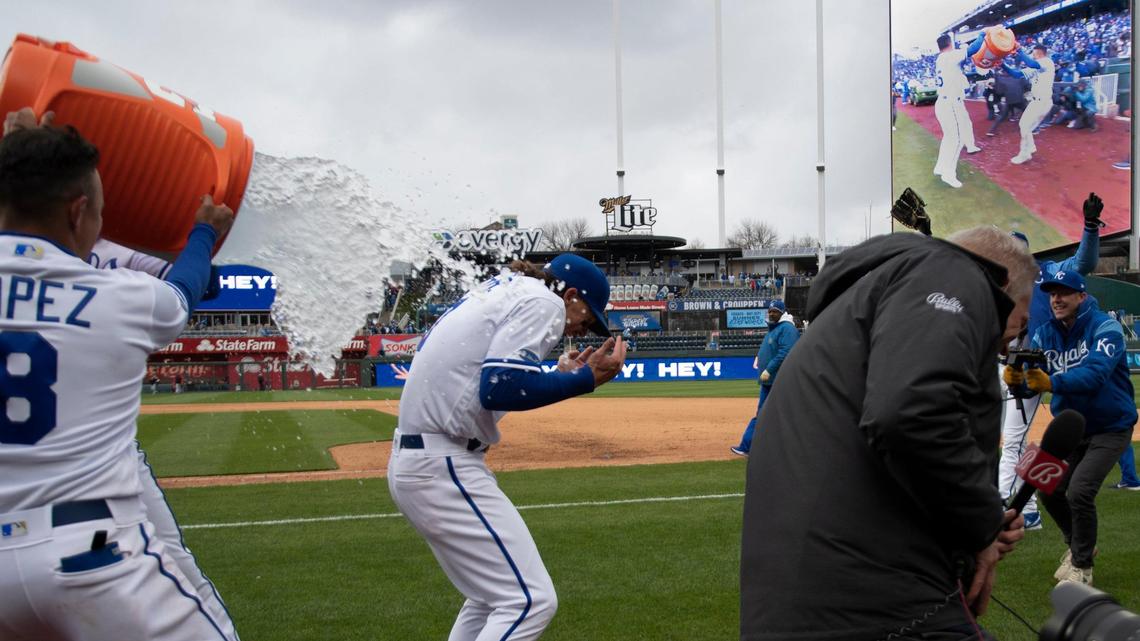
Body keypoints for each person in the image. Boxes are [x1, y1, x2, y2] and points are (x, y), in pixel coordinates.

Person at [0, 111, 236, 640]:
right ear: (78, 211)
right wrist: (203, 231)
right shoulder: (119, 297)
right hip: (91, 555)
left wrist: (17, 159)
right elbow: (188, 290)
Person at [741, 227, 1037, 641]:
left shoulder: (860, 304)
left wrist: (973, 526)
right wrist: (984, 522)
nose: (1008, 343)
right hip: (879, 606)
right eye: (1016, 320)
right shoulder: (952, 272)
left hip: (813, 601)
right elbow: (910, 414)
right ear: (1001, 281)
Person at [388, 254, 626, 641]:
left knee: (488, 599)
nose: (584, 330)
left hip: (423, 459)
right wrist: (585, 380)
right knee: (530, 601)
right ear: (570, 295)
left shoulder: (505, 290)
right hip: (442, 464)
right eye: (587, 318)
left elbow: (484, 388)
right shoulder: (544, 301)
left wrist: (561, 376)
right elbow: (499, 387)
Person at [1010, 270, 1137, 586]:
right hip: (1071, 427)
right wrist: (1018, 383)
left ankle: (1082, 567)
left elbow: (1095, 375)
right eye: (1052, 293)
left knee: (1079, 490)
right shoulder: (1043, 334)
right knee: (1046, 486)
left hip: (1110, 426)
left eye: (1064, 292)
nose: (1056, 299)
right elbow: (1032, 379)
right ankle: (1079, 546)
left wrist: (1051, 381)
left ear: (1081, 296)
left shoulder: (1105, 327)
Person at [999, 194, 1103, 532]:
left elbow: (1083, 263)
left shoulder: (1050, 273)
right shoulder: (996, 283)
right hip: (1013, 367)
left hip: (1047, 365)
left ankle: (1016, 506)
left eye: (1017, 249)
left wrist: (1089, 228)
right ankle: (1024, 506)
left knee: (1023, 438)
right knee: (1009, 438)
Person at [730, 300, 797, 457]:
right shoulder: (775, 328)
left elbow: (785, 352)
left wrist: (769, 368)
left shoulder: (787, 329)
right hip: (771, 381)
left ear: (782, 312)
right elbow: (773, 349)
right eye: (770, 311)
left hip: (779, 379)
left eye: (775, 311)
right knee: (769, 415)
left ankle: (748, 446)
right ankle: (751, 446)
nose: (772, 313)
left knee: (772, 415)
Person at [933, 34, 983, 189]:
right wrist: (983, 34)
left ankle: (940, 167)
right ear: (949, 43)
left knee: (948, 138)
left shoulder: (941, 59)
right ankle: (948, 175)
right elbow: (974, 48)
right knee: (958, 139)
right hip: (950, 104)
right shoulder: (948, 56)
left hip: (944, 102)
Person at [1006, 44, 1056, 165]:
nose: (1032, 55)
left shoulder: (1047, 61)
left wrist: (1019, 50)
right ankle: (1031, 147)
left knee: (1024, 125)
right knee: (1025, 126)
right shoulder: (1036, 66)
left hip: (1042, 101)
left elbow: (1032, 64)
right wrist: (1002, 64)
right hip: (1036, 101)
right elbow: (1016, 74)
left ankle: (1025, 154)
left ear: (1039, 53)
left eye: (1034, 53)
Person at [986, 68, 1030, 137]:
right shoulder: (1020, 77)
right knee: (1028, 111)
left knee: (1002, 116)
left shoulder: (1002, 79)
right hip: (1019, 99)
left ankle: (991, 130)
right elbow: (1028, 87)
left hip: (1009, 100)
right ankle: (1028, 127)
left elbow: (999, 91)